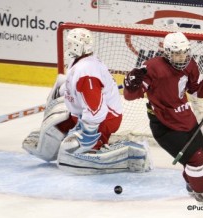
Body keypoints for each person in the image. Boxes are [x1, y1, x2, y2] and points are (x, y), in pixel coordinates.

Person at [123, 32, 203, 205]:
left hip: (185, 117)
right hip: (164, 123)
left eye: (184, 52)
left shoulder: (190, 65)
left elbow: (197, 89)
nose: (182, 56)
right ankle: (202, 192)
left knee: (198, 149)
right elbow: (131, 96)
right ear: (167, 53)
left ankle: (193, 184)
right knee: (196, 157)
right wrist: (130, 85)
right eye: (177, 53)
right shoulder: (153, 67)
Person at [23, 28, 151, 174]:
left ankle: (134, 154)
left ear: (78, 46)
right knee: (53, 132)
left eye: (71, 44)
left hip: (104, 119)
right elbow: (75, 86)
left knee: (70, 157)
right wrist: (61, 91)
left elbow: (96, 110)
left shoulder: (86, 72)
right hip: (81, 112)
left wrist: (87, 133)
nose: (69, 47)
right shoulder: (80, 62)